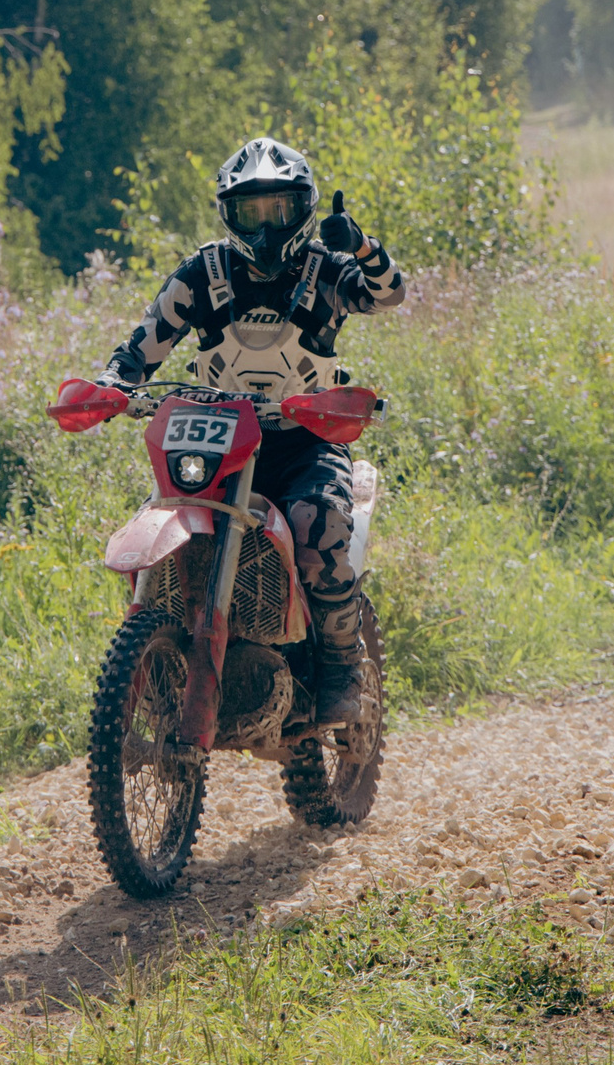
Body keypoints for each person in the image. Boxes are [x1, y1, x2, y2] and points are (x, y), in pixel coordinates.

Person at [99, 137, 406, 725]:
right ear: (228, 214)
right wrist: (114, 383)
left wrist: (363, 246)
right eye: (251, 212)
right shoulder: (202, 272)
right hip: (215, 440)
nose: (266, 227)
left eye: (280, 209)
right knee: (159, 530)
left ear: (305, 208)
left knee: (321, 529)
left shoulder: (329, 270)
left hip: (304, 441)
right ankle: (159, 659)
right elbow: (144, 344)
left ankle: (341, 666)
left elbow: (390, 294)